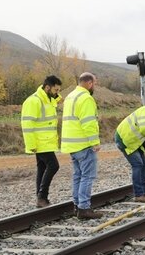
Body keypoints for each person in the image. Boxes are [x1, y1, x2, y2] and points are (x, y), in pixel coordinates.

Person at [61, 72, 103, 219]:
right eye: (95, 83)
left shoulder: (70, 97)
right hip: (83, 144)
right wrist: (95, 142)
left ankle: (77, 206)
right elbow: (88, 123)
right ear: (90, 83)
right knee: (87, 176)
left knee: (78, 176)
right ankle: (84, 209)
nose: (94, 86)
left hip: (71, 145)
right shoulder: (86, 98)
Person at [21, 75, 62, 208]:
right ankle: (42, 197)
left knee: (42, 167)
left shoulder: (47, 99)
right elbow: (27, 124)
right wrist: (31, 144)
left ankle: (40, 198)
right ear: (47, 87)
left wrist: (56, 96)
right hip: (40, 142)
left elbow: (56, 101)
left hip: (46, 141)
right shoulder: (34, 101)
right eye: (56, 90)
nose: (57, 93)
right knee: (53, 165)